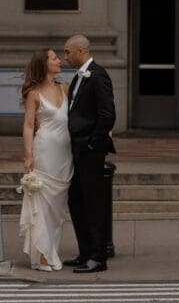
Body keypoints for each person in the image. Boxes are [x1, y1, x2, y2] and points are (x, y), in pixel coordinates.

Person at [63, 34, 116, 274]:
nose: (65, 57)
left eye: (68, 52)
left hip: (90, 150)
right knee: (77, 200)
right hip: (76, 150)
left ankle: (98, 257)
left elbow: (107, 114)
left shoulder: (98, 75)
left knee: (93, 203)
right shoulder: (78, 77)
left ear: (81, 51)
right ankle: (85, 252)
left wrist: (93, 143)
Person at [19, 48, 73, 272]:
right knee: (42, 203)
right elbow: (29, 125)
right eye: (54, 58)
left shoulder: (65, 87)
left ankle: (51, 250)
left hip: (65, 153)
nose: (59, 61)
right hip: (44, 151)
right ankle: (41, 255)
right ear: (44, 63)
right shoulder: (34, 93)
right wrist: (29, 154)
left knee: (58, 207)